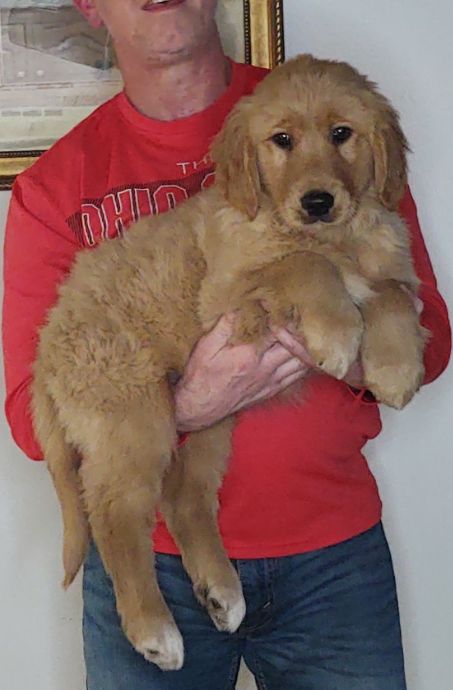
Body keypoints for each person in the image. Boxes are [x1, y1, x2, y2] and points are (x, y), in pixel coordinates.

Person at [2, 1, 451, 689]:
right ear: (88, 5)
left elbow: (428, 344)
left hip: (334, 555)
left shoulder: (324, 114)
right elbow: (36, 418)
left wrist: (356, 333)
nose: (313, 156)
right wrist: (188, 405)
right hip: (154, 553)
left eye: (336, 137)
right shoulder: (54, 186)